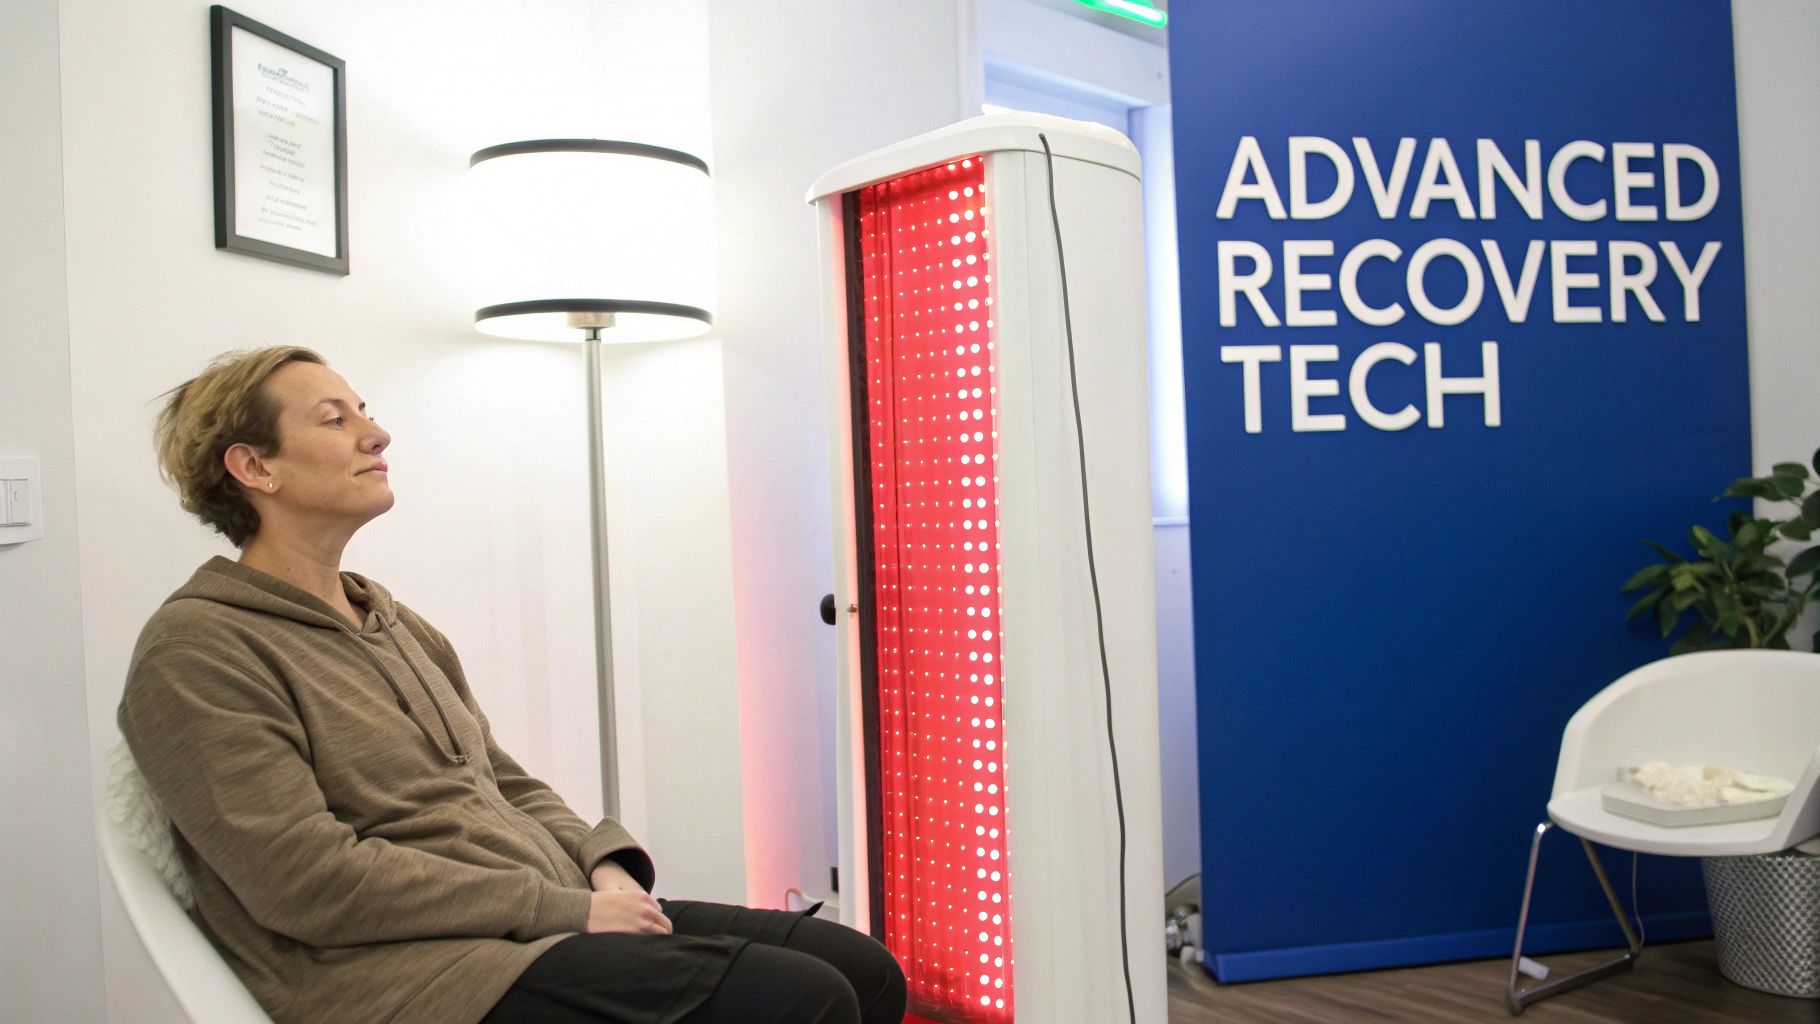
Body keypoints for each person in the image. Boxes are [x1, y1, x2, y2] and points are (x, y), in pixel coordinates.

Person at [119, 346, 907, 1024]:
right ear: (254, 467)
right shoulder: (199, 650)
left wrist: (602, 864)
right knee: (799, 998)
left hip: (539, 914)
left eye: (364, 410)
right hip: (411, 977)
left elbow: (504, 785)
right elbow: (307, 883)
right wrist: (567, 910)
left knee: (865, 971)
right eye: (334, 419)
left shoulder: (390, 620)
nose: (376, 432)